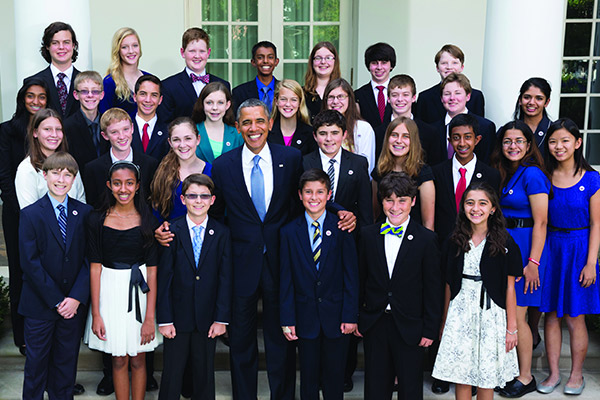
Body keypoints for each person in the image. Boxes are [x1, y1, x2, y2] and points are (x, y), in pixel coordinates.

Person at [210, 98, 356, 400]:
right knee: (242, 343)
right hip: (242, 265)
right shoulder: (223, 166)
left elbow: (308, 192)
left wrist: (340, 210)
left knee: (282, 342)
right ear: (237, 127)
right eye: (247, 122)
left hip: (283, 263)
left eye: (260, 121)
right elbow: (214, 213)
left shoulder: (289, 158)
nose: (254, 128)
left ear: (270, 123)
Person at [82, 108, 158, 394]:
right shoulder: (97, 220)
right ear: (109, 186)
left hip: (140, 292)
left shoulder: (146, 219)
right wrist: (97, 313)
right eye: (117, 184)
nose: (123, 189)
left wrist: (150, 316)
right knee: (117, 360)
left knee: (139, 359)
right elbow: (94, 265)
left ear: (138, 186)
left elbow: (152, 268)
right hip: (110, 293)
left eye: (129, 184)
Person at [432, 182, 522, 399]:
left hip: (491, 315)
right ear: (463, 207)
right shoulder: (454, 240)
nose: (476, 208)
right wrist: (444, 321)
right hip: (460, 311)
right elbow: (448, 283)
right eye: (470, 203)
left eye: (483, 203)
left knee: (486, 378)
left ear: (493, 209)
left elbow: (510, 288)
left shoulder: (505, 242)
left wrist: (512, 327)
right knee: (462, 374)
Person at [357, 172, 441, 400]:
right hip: (376, 322)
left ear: (413, 202)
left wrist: (430, 328)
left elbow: (433, 288)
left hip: (410, 324)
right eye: (389, 200)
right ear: (381, 201)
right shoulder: (368, 235)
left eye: (402, 200)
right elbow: (360, 279)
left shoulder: (426, 239)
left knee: (410, 386)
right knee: (376, 386)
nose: (395, 207)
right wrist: (358, 316)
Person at [280, 168, 359, 400]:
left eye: (319, 192)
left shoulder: (342, 228)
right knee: (308, 378)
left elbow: (351, 275)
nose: (314, 197)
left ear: (329, 195)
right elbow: (286, 279)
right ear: (300, 195)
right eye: (308, 192)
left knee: (334, 377)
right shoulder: (288, 232)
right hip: (305, 317)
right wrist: (287, 319)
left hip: (336, 316)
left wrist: (350, 315)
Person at [19, 152, 91, 400]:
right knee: (37, 365)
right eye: (56, 173)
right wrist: (56, 300)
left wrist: (75, 298)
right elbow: (30, 263)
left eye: (67, 174)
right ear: (44, 175)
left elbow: (89, 260)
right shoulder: (30, 214)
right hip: (40, 305)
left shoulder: (84, 213)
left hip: (72, 306)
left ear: (74, 179)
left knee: (65, 365)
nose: (61, 179)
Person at [537, 118, 600, 396]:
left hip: (579, 248)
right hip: (551, 245)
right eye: (553, 141)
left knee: (575, 317)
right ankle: (552, 374)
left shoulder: (592, 178)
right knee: (551, 315)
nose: (558, 146)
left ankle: (576, 375)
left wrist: (590, 262)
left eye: (564, 140)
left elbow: (598, 224)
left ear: (577, 143)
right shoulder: (543, 176)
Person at [157, 173, 232, 400]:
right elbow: (165, 278)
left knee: (204, 373)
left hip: (207, 318)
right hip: (177, 318)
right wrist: (165, 318)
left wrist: (221, 319)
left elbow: (225, 278)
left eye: (203, 196)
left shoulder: (222, 233)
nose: (198, 201)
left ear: (212, 200)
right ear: (182, 200)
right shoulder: (172, 231)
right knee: (172, 373)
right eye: (192, 196)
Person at [489, 120, 550, 398]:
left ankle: (526, 377)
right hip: (508, 245)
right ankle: (512, 371)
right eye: (507, 141)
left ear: (528, 145)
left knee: (519, 315)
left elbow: (541, 222)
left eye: (519, 141)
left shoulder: (533, 174)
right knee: (508, 313)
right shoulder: (505, 172)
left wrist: (533, 263)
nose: (513, 146)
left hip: (528, 249)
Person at [0, 77, 48, 356]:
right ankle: (22, 336)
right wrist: (23, 210)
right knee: (20, 272)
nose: (36, 102)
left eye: (41, 97)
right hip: (18, 214)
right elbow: (4, 176)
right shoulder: (7, 131)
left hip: (47, 215)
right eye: (30, 96)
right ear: (22, 99)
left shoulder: (51, 131)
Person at [432, 113, 501, 244]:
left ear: (477, 139)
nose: (462, 143)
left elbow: (493, 214)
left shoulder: (491, 175)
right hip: (443, 244)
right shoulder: (437, 172)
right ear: (450, 140)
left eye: (468, 137)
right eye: (456, 138)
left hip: (478, 243)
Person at [303, 110, 372, 230]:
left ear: (344, 134)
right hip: (313, 229)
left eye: (335, 133)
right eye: (323, 133)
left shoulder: (358, 163)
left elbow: (365, 207)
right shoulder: (303, 162)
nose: (329, 139)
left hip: (348, 231)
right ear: (315, 136)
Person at [83, 108, 158, 211]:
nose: (122, 136)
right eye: (114, 132)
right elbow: (93, 206)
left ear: (132, 128)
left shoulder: (150, 164)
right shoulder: (93, 169)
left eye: (125, 129)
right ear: (105, 135)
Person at [15, 109, 86, 210]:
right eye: (47, 129)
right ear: (35, 132)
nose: (54, 134)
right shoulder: (27, 169)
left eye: (58, 129)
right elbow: (30, 213)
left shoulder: (70, 163)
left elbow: (81, 201)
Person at [373, 117, 435, 230]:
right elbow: (375, 214)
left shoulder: (423, 173)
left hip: (413, 239)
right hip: (383, 236)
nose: (399, 140)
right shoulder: (379, 171)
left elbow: (428, 223)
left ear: (413, 141)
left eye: (406, 136)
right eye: (394, 135)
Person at [160, 27, 230, 124]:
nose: (197, 56)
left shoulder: (223, 85)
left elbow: (228, 120)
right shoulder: (168, 86)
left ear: (208, 53)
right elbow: (165, 124)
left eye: (202, 51)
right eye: (192, 51)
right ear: (182, 52)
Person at [151, 117, 212, 222]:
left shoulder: (212, 172)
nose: (182, 145)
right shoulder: (163, 172)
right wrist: (159, 228)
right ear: (170, 143)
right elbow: (157, 210)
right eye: (176, 140)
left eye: (188, 138)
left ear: (198, 139)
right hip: (172, 235)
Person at [429, 73, 496, 166]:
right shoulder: (432, 130)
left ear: (468, 96)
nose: (452, 98)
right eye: (447, 94)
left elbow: (487, 162)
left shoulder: (485, 127)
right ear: (441, 98)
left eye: (458, 93)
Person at [373, 74, 437, 165]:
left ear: (413, 98)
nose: (400, 99)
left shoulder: (429, 132)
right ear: (388, 99)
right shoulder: (378, 133)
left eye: (405, 95)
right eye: (394, 95)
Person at [414, 44, 485, 124]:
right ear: (437, 68)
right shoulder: (425, 97)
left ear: (462, 67)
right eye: (444, 63)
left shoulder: (476, 96)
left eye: (454, 63)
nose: (449, 67)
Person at [26, 21, 80, 118]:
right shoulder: (32, 82)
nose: (61, 47)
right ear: (47, 46)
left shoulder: (87, 82)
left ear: (73, 45)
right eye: (55, 43)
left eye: (66, 42)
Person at [323, 78, 376, 174]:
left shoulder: (363, 128)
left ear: (350, 99)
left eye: (341, 96)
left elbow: (368, 166)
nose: (335, 101)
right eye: (331, 97)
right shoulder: (320, 128)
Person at [63, 71, 110, 175]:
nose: (90, 95)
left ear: (102, 95)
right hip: (81, 182)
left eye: (95, 91)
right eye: (84, 91)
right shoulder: (67, 127)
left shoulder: (108, 123)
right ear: (76, 95)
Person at [99, 27, 149, 119]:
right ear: (118, 50)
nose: (131, 51)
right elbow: (104, 119)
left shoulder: (149, 79)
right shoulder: (109, 83)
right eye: (124, 47)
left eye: (135, 45)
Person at [191, 81, 243, 163]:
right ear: (202, 104)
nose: (215, 107)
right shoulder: (192, 132)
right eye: (209, 102)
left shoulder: (238, 134)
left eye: (220, 102)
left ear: (227, 105)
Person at [268, 79, 316, 156]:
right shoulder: (267, 132)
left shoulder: (310, 134)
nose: (288, 104)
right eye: (283, 99)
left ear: (300, 103)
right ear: (276, 101)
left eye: (293, 100)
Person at [354, 42, 395, 130]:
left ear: (391, 65)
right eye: (374, 63)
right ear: (368, 66)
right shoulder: (358, 95)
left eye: (384, 62)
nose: (379, 67)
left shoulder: (402, 93)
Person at [232, 41, 280, 114]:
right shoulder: (239, 92)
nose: (265, 61)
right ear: (253, 62)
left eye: (270, 57)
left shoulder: (284, 90)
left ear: (276, 62)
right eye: (260, 57)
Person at [131, 75, 169, 161]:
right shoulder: (124, 129)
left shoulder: (168, 131)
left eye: (154, 95)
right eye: (143, 94)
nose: (148, 100)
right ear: (135, 97)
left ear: (160, 100)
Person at [513, 77, 552, 157]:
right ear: (520, 100)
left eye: (539, 98)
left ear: (546, 102)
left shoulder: (554, 131)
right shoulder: (508, 131)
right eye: (527, 97)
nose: (532, 102)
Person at [303, 42, 341, 119]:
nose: (323, 62)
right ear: (312, 62)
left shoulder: (343, 92)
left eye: (328, 58)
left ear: (335, 61)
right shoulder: (302, 93)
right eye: (318, 58)